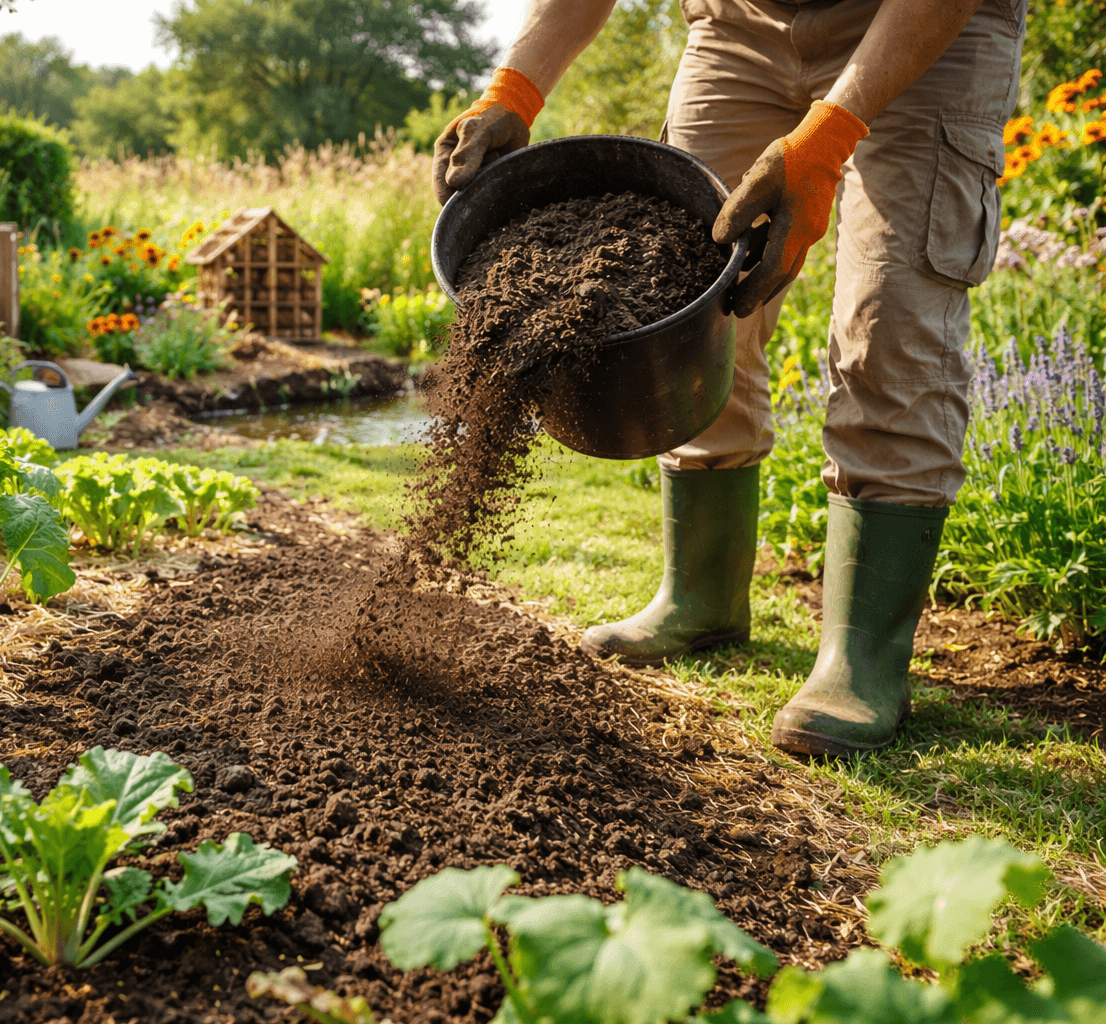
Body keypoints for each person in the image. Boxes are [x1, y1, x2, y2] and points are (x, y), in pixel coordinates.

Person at [433, 0, 1024, 756]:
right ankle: (703, 596)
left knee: (889, 321)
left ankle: (862, 659)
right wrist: (513, 91)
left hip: (923, 25)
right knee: (688, 290)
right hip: (739, 23)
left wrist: (832, 133)